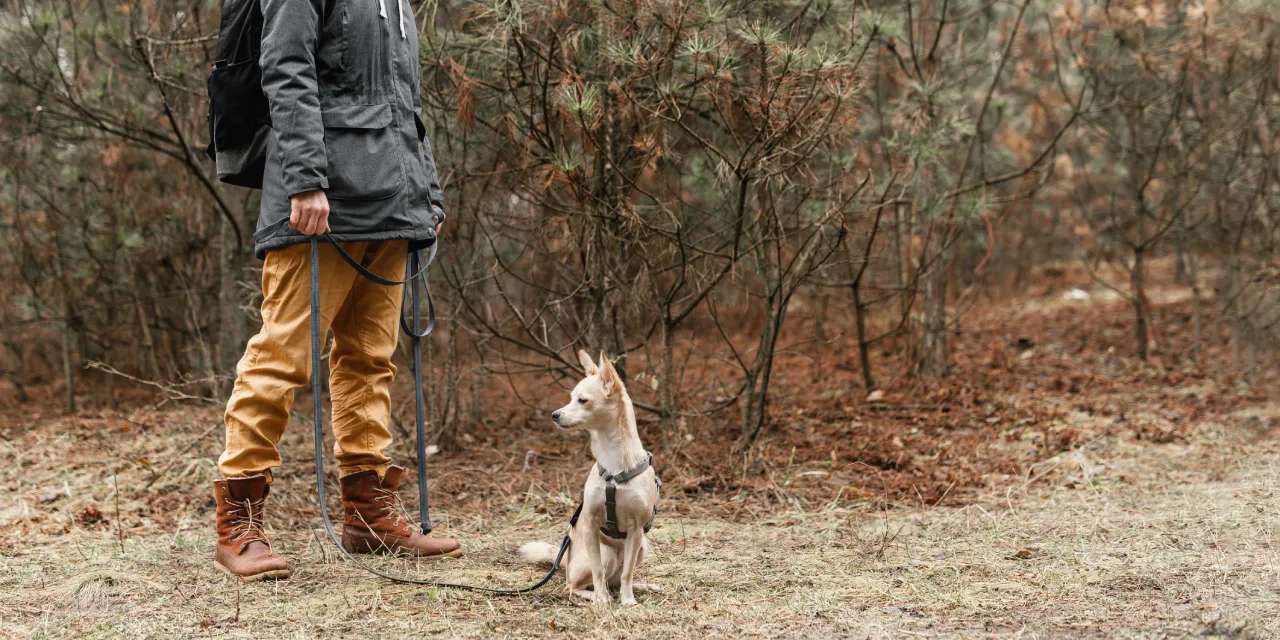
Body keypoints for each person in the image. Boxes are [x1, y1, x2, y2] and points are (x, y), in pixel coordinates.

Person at [211, 0, 461, 581]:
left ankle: (367, 516)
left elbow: (406, 104)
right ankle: (238, 524)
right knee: (282, 359)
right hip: (317, 203)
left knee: (371, 360)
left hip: (393, 205)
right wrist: (305, 179)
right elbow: (285, 66)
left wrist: (428, 193)